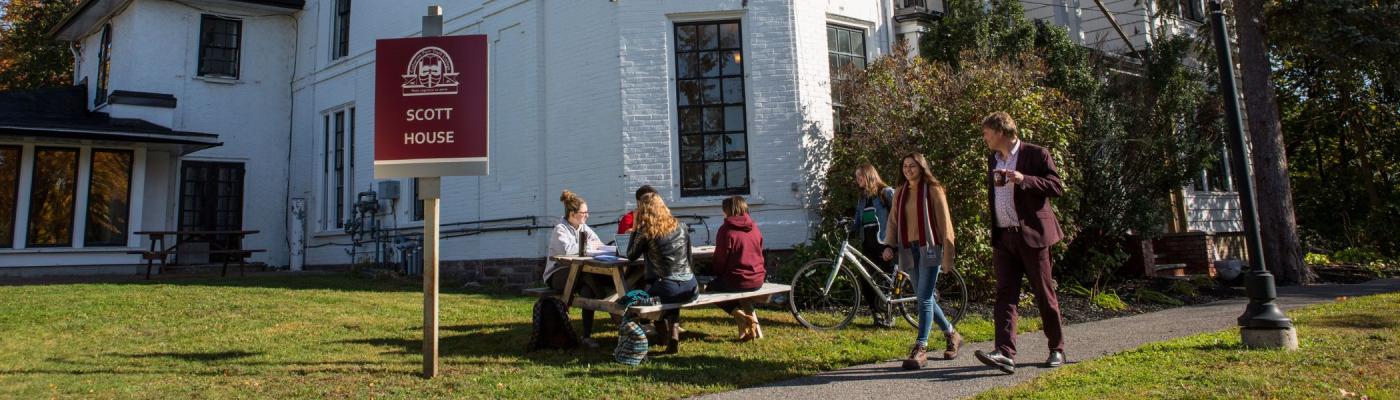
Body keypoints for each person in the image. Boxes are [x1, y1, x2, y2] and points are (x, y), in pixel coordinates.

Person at [972, 111, 1067, 375]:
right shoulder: (993, 158)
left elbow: (1056, 186)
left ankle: (1057, 348)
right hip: (1005, 237)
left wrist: (1024, 179)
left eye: (987, 133)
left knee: (1044, 294)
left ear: (1000, 131)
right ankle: (1004, 352)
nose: (985, 138)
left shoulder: (1036, 154)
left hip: (1033, 236)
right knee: (1005, 295)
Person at [880, 153, 962, 370]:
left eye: (912, 166)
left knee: (924, 298)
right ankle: (952, 334)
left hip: (930, 248)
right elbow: (893, 221)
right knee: (924, 297)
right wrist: (889, 245)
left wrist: (948, 255)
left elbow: (945, 224)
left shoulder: (933, 189)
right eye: (905, 166)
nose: (908, 169)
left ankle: (921, 348)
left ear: (921, 167)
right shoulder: (900, 193)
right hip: (909, 249)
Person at [625, 192, 699, 354]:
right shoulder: (681, 226)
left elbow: (630, 255)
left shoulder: (647, 232)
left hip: (667, 288)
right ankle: (671, 336)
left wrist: (636, 227)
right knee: (668, 289)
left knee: (636, 296)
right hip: (690, 287)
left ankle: (662, 335)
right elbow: (689, 259)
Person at [708, 196, 767, 341]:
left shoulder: (726, 230)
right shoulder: (754, 228)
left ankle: (741, 317)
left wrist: (714, 273)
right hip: (758, 278)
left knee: (708, 288)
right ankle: (743, 328)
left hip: (737, 280)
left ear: (728, 210)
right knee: (735, 290)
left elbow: (720, 260)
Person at [853, 163, 897, 327]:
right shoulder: (863, 198)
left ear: (869, 175)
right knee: (866, 280)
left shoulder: (885, 193)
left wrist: (891, 247)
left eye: (860, 176)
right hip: (868, 245)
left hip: (884, 245)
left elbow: (898, 220)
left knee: (887, 283)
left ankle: (889, 315)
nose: (858, 180)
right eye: (856, 177)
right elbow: (858, 222)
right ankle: (876, 314)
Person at [542, 190, 607, 293]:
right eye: (584, 213)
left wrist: (593, 246)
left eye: (587, 212)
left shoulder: (584, 228)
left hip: (576, 270)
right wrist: (589, 245)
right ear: (572, 214)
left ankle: (598, 304)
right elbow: (567, 251)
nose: (587, 215)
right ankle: (606, 301)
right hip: (556, 275)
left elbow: (599, 244)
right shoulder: (560, 229)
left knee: (588, 288)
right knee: (586, 273)